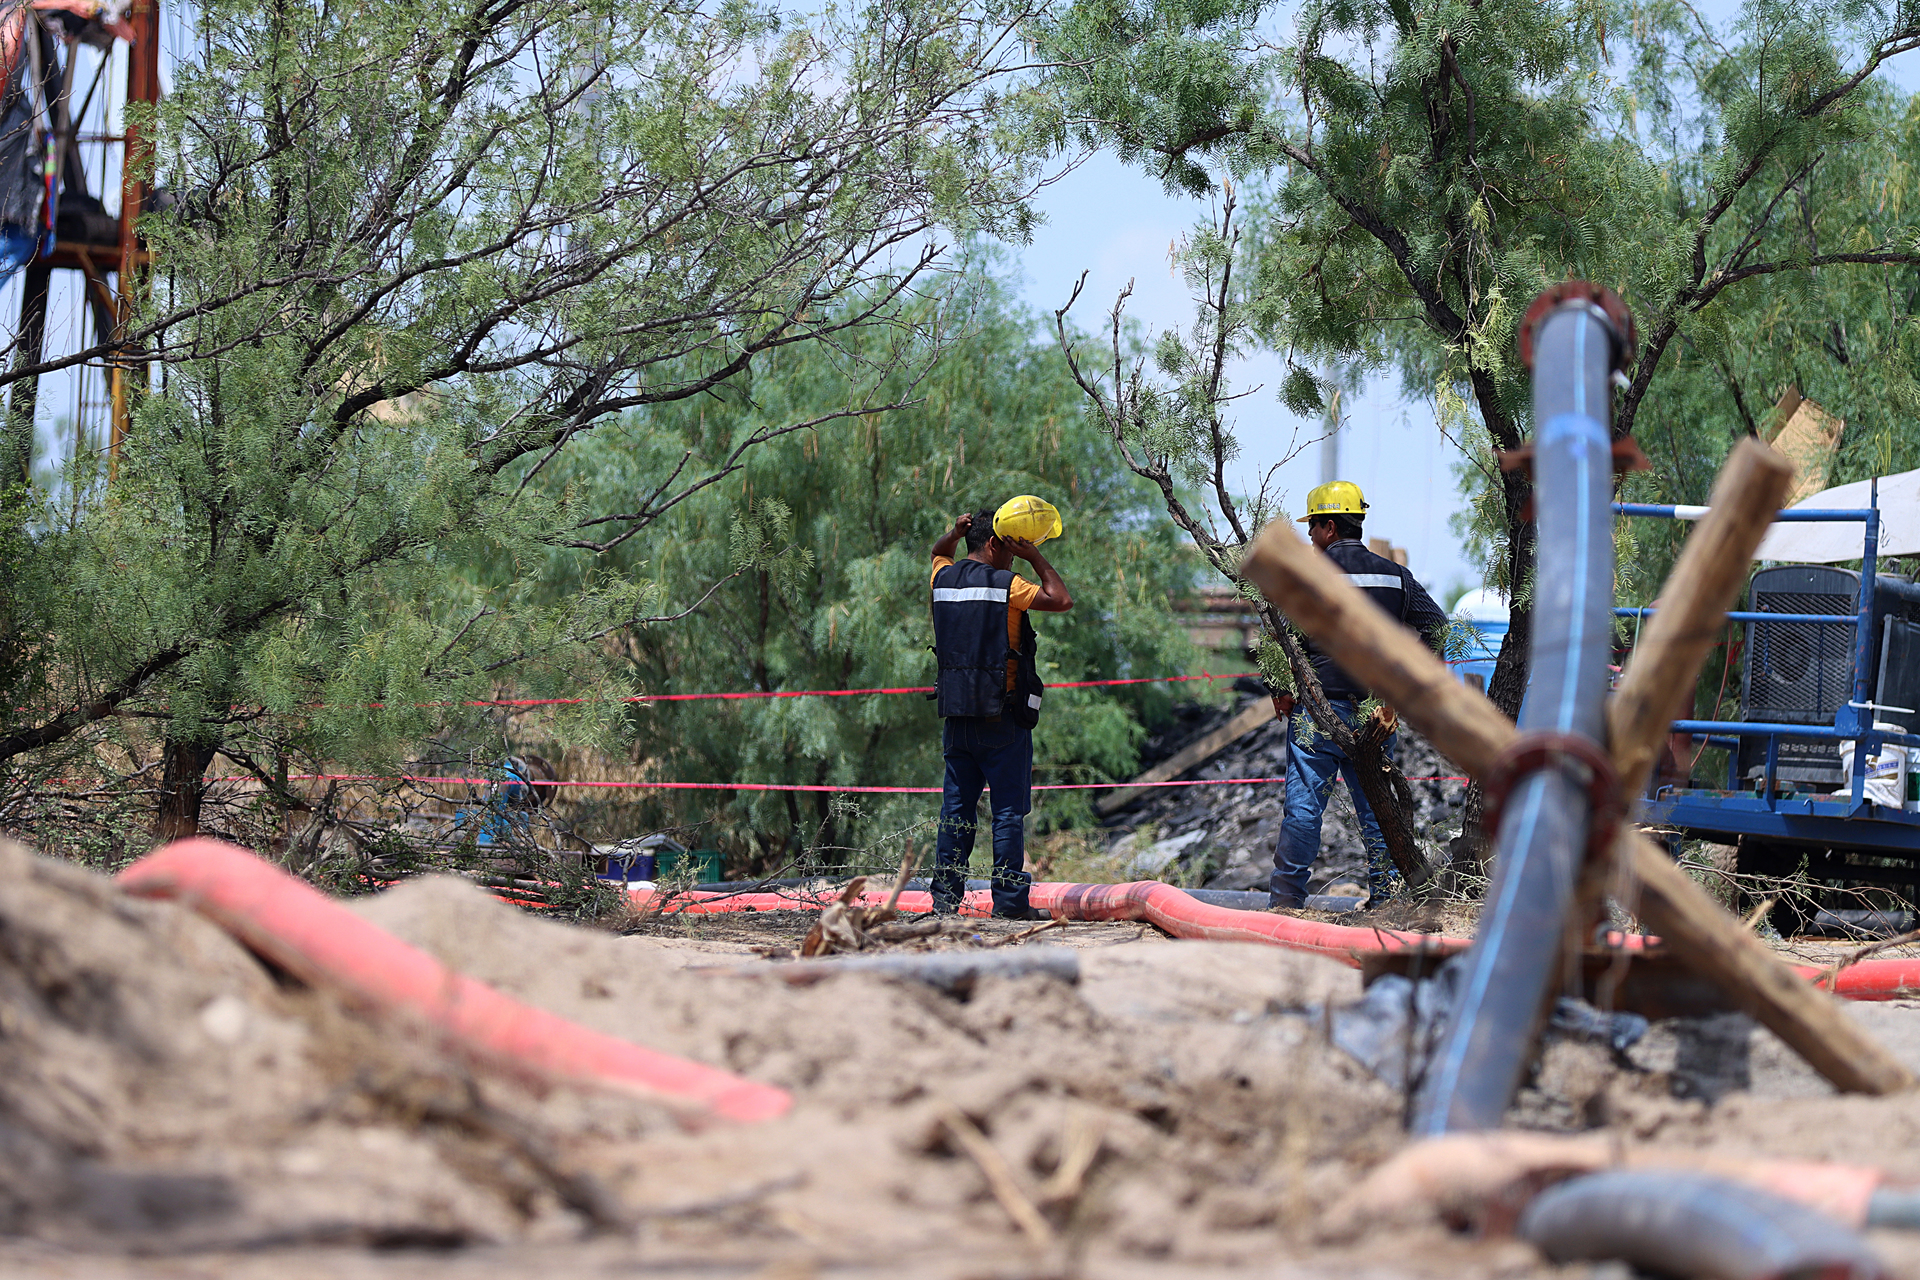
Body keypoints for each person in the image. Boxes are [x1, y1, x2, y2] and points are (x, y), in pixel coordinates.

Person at [1269, 481, 1448, 910]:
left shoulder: (1306, 577)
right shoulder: (1393, 575)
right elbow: (1439, 628)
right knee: (1377, 813)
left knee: (1303, 811)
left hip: (1319, 713)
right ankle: (1386, 903)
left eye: (1312, 527)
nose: (1309, 537)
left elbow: (1278, 638)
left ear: (1329, 527)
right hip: (1374, 715)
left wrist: (1279, 688)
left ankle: (1286, 904)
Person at [928, 506, 1072, 918]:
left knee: (955, 813)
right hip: (1002, 719)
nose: (1012, 557)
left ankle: (944, 903)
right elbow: (1061, 599)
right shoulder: (1008, 584)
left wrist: (953, 532)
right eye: (1010, 549)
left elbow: (938, 552)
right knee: (1008, 813)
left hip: (956, 718)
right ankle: (1009, 905)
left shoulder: (942, 578)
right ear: (994, 544)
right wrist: (1034, 558)